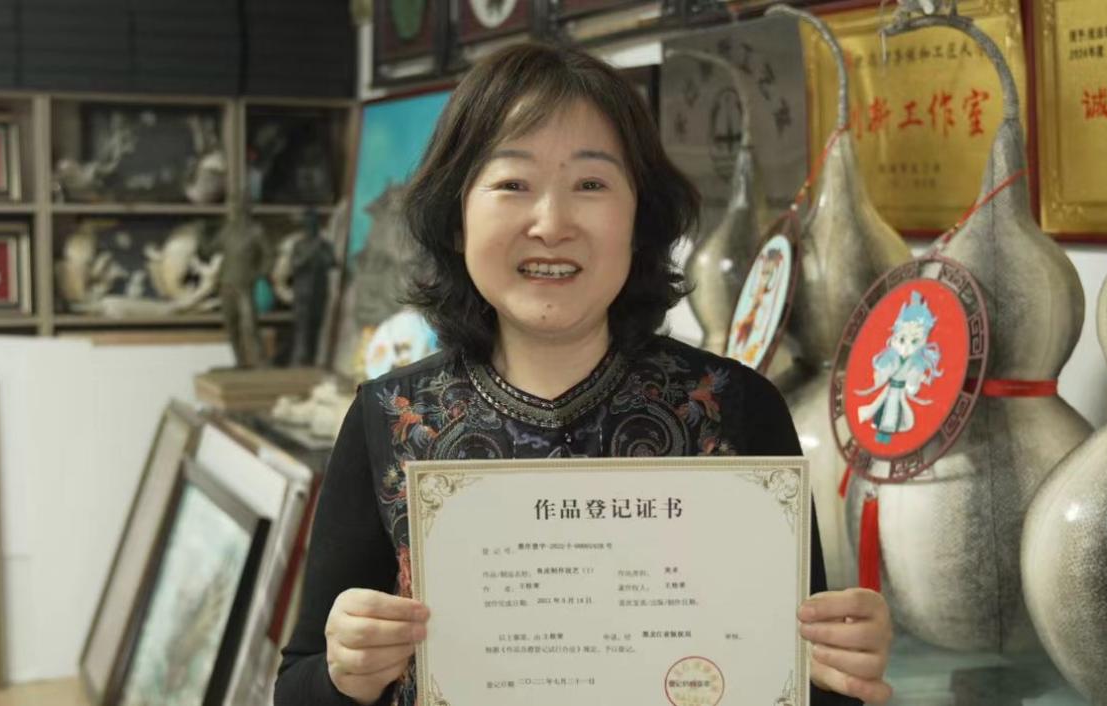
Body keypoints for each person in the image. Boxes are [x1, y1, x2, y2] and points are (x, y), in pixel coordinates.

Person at [275, 42, 894, 706]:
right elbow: (298, 685)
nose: (552, 224)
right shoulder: (390, 417)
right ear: (456, 219)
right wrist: (343, 676)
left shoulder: (734, 407)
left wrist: (842, 673)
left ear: (639, 220)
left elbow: (790, 677)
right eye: (513, 184)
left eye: (591, 185)